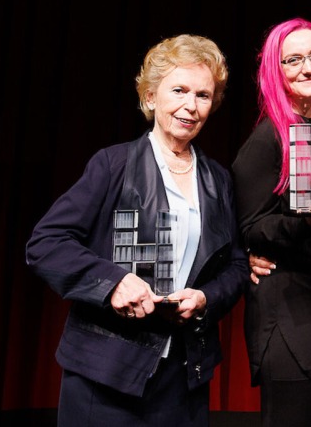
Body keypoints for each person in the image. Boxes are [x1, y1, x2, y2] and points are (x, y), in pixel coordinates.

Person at [26, 34, 249, 427]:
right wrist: (114, 283)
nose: (190, 105)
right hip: (106, 374)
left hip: (184, 376)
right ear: (150, 97)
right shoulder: (113, 165)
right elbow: (46, 244)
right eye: (179, 90)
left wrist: (205, 297)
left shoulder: (218, 180)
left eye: (202, 95)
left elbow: (236, 266)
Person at [231, 18, 311, 427]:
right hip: (290, 322)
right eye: (293, 60)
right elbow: (250, 228)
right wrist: (305, 224)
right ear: (275, 70)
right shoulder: (267, 139)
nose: (308, 67)